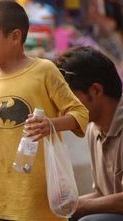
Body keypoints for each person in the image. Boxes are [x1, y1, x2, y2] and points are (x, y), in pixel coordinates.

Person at [0, 1, 89, 220]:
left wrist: (51, 124)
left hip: (34, 185)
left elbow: (80, 113)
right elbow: (4, 134)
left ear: (14, 37)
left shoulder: (43, 71)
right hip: (0, 184)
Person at [55, 46, 123, 221]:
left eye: (68, 99)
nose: (62, 108)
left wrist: (79, 206)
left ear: (96, 91)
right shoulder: (94, 129)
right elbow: (102, 193)